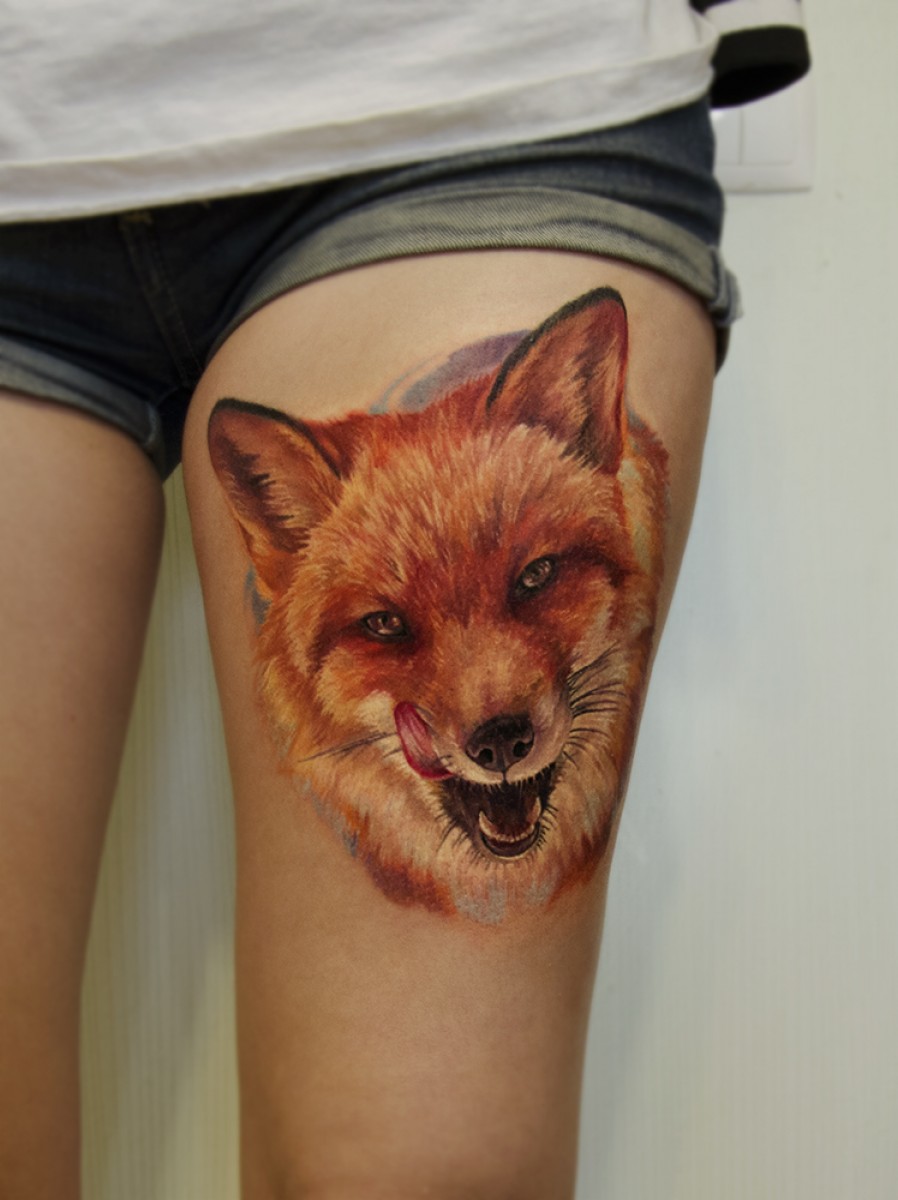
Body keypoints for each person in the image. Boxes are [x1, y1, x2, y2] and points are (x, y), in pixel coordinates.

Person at [0, 3, 809, 1197]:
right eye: (390, 628)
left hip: (474, 91)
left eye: (535, 581)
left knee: (420, 1172)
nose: (493, 700)